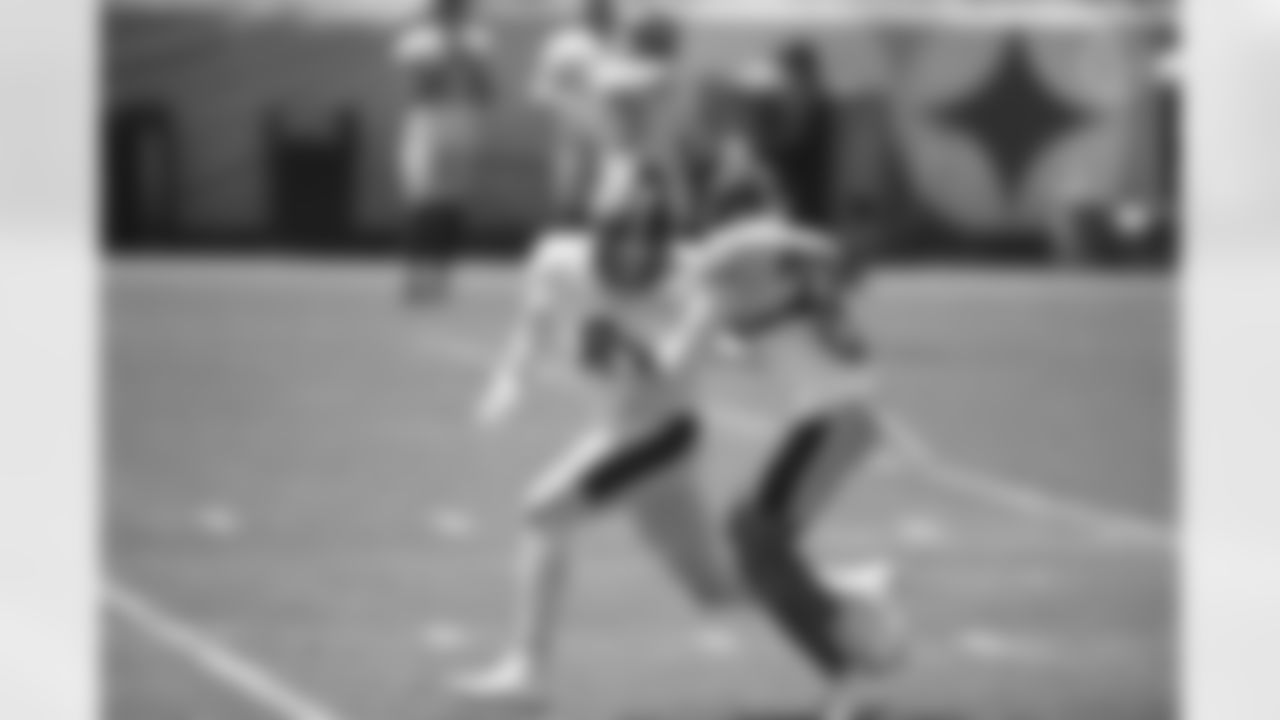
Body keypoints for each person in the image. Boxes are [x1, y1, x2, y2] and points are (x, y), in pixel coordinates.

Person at [452, 128, 736, 709]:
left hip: (661, 433)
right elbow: (531, 328)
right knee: (715, 590)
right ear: (597, 220)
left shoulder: (693, 277)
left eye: (650, 230)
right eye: (621, 227)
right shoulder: (557, 260)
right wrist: (508, 382)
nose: (635, 245)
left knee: (543, 512)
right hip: (624, 431)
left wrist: (637, 340)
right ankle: (840, 600)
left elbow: (669, 371)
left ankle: (528, 670)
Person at [670, 167, 911, 720]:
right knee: (754, 538)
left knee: (756, 540)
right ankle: (853, 600)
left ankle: (848, 661)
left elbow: (684, 350)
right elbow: (768, 330)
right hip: (841, 415)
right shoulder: (777, 256)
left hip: (830, 418)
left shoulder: (740, 257)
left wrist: (669, 296)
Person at [391, 0, 495, 303]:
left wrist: (468, 68)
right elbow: (422, 86)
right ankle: (415, 274)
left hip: (463, 121)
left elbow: (484, 89)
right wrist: (452, 57)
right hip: (429, 123)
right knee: (424, 200)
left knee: (453, 204)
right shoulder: (419, 40)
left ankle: (441, 276)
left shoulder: (477, 40)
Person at [528, 0, 625, 228]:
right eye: (603, 14)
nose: (608, 20)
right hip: (573, 121)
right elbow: (545, 85)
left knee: (598, 177)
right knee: (571, 177)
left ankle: (590, 223)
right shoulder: (569, 44)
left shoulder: (612, 44)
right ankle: (569, 223)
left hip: (600, 123)